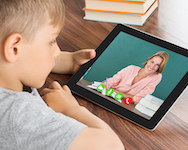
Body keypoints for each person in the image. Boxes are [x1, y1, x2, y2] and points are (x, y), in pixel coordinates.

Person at [0, 0, 124, 150]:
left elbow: (23, 59)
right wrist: (69, 109)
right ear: (14, 48)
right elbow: (112, 146)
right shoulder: (18, 116)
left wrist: (69, 61)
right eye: (51, 42)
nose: (57, 51)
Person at [103, 51, 169, 105]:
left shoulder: (156, 77)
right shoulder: (131, 68)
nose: (152, 66)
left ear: (160, 67)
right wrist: (105, 84)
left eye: (157, 65)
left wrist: (116, 92)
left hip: (126, 104)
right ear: (148, 60)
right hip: (111, 96)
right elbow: (111, 81)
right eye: (152, 62)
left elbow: (137, 99)